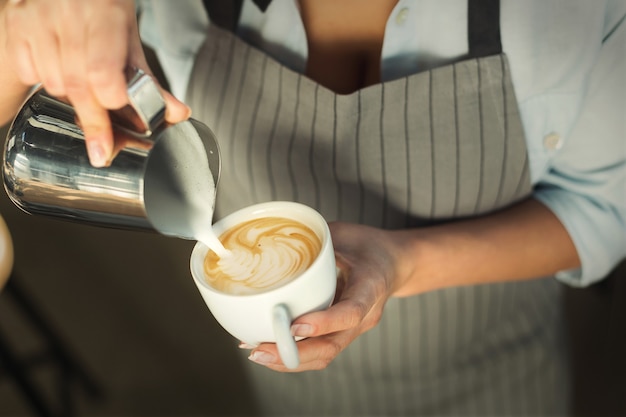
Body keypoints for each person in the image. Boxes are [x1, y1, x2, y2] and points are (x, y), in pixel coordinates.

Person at [1, 0, 624, 415]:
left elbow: (603, 209)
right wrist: (15, 32)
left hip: (499, 382)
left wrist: (402, 263)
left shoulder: (571, 13)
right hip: (293, 387)